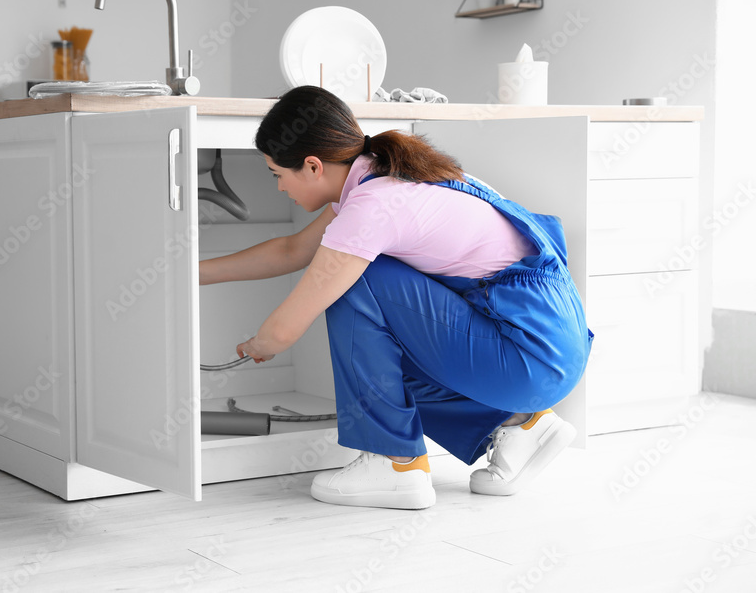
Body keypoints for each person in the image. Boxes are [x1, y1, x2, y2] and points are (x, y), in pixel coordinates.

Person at [199, 86, 593, 510]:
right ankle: (520, 423)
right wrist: (190, 275)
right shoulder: (386, 176)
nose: (279, 187)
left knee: (358, 281)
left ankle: (395, 464)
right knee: (379, 335)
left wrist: (262, 342)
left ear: (312, 166)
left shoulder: (373, 206)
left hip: (527, 355)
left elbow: (286, 329)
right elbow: (293, 250)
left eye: (277, 174)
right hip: (548, 344)